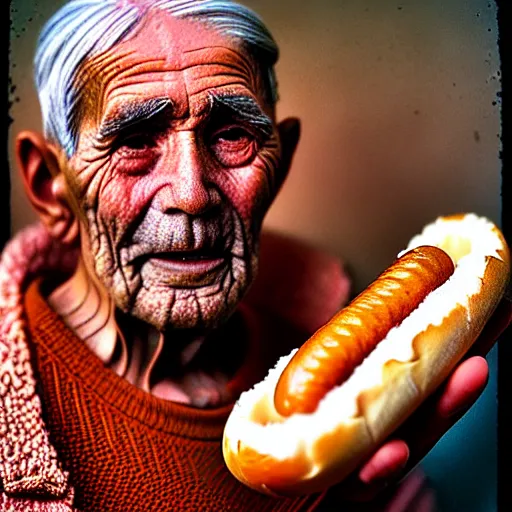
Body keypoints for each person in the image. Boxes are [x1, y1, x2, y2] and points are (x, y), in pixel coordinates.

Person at [1, 1, 509, 510]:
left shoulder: (336, 371)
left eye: (232, 135)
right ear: (50, 185)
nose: (192, 193)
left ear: (279, 165)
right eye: (134, 141)